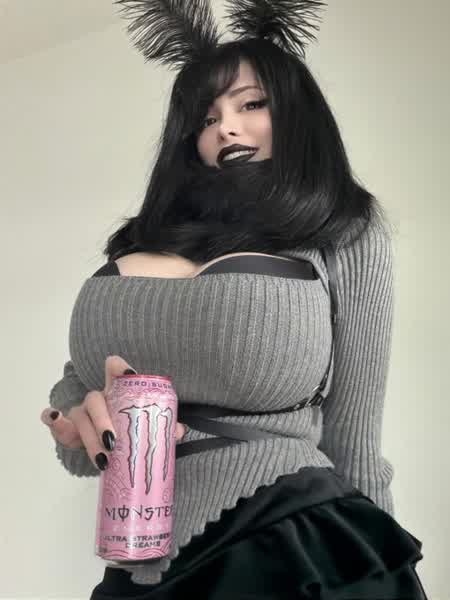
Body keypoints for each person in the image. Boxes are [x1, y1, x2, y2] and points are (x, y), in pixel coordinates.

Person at [40, 1, 429, 598]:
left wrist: (382, 566)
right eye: (206, 116)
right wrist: (75, 418)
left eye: (251, 104)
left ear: (295, 112)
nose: (225, 127)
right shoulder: (142, 241)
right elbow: (79, 397)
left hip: (292, 540)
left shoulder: (343, 228)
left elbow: (354, 434)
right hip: (137, 556)